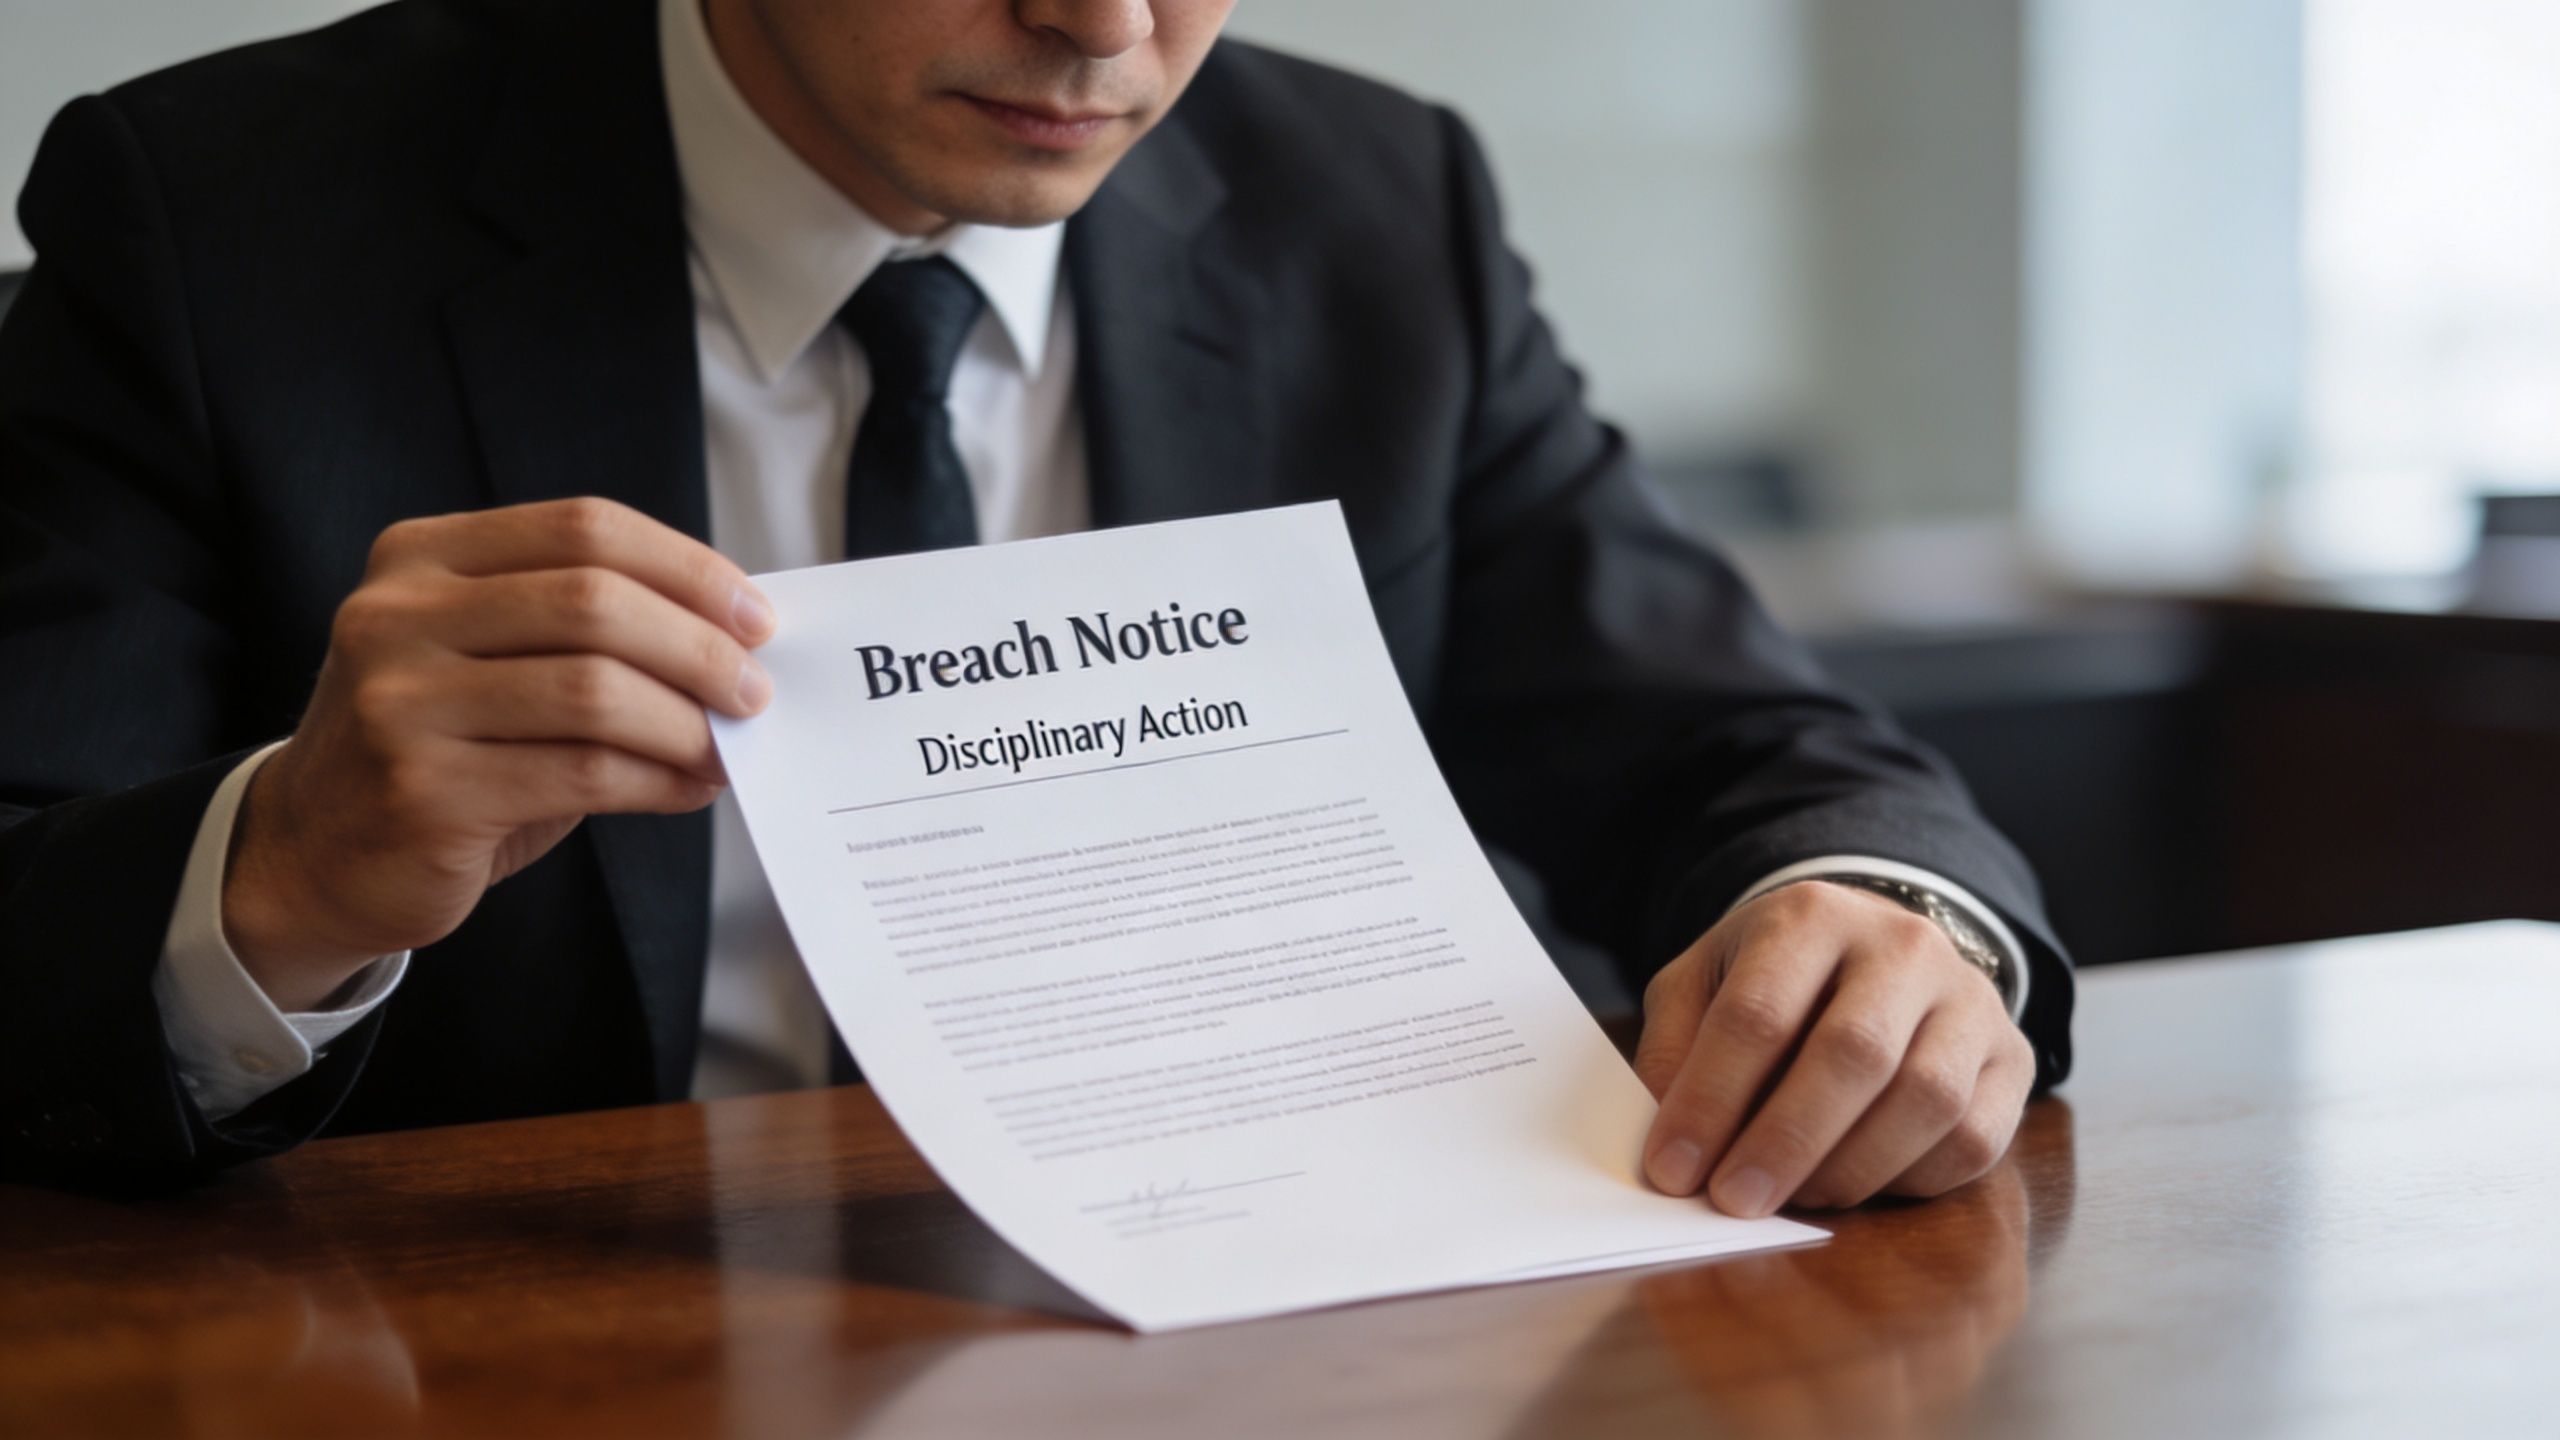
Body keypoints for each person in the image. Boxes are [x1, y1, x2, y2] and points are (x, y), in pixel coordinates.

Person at [0, 0, 2073, 1214]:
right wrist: (284, 877)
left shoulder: (1372, 207)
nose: (1103, 22)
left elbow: (1742, 749)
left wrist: (1892, 926)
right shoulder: (223, 221)